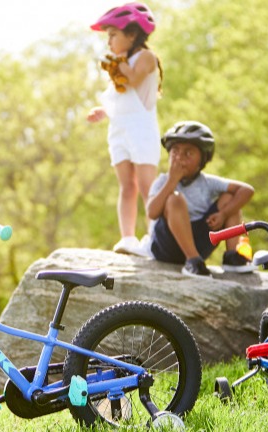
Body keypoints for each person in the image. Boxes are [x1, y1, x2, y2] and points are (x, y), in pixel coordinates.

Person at [88, 2, 163, 256]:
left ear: (131, 34)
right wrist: (103, 111)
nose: (108, 42)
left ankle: (154, 240)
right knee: (126, 186)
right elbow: (118, 98)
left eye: (113, 35)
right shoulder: (119, 62)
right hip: (119, 129)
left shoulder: (145, 58)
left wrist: (117, 64)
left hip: (141, 129)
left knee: (146, 186)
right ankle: (128, 238)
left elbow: (134, 80)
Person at [146, 121, 255, 277]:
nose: (180, 158)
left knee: (230, 198)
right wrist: (172, 181)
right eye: (175, 152)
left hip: (200, 242)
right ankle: (193, 261)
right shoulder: (162, 181)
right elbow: (152, 212)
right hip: (167, 248)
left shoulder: (207, 182)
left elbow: (247, 190)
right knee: (174, 200)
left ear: (202, 160)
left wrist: (223, 214)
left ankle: (231, 256)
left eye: (188, 153)